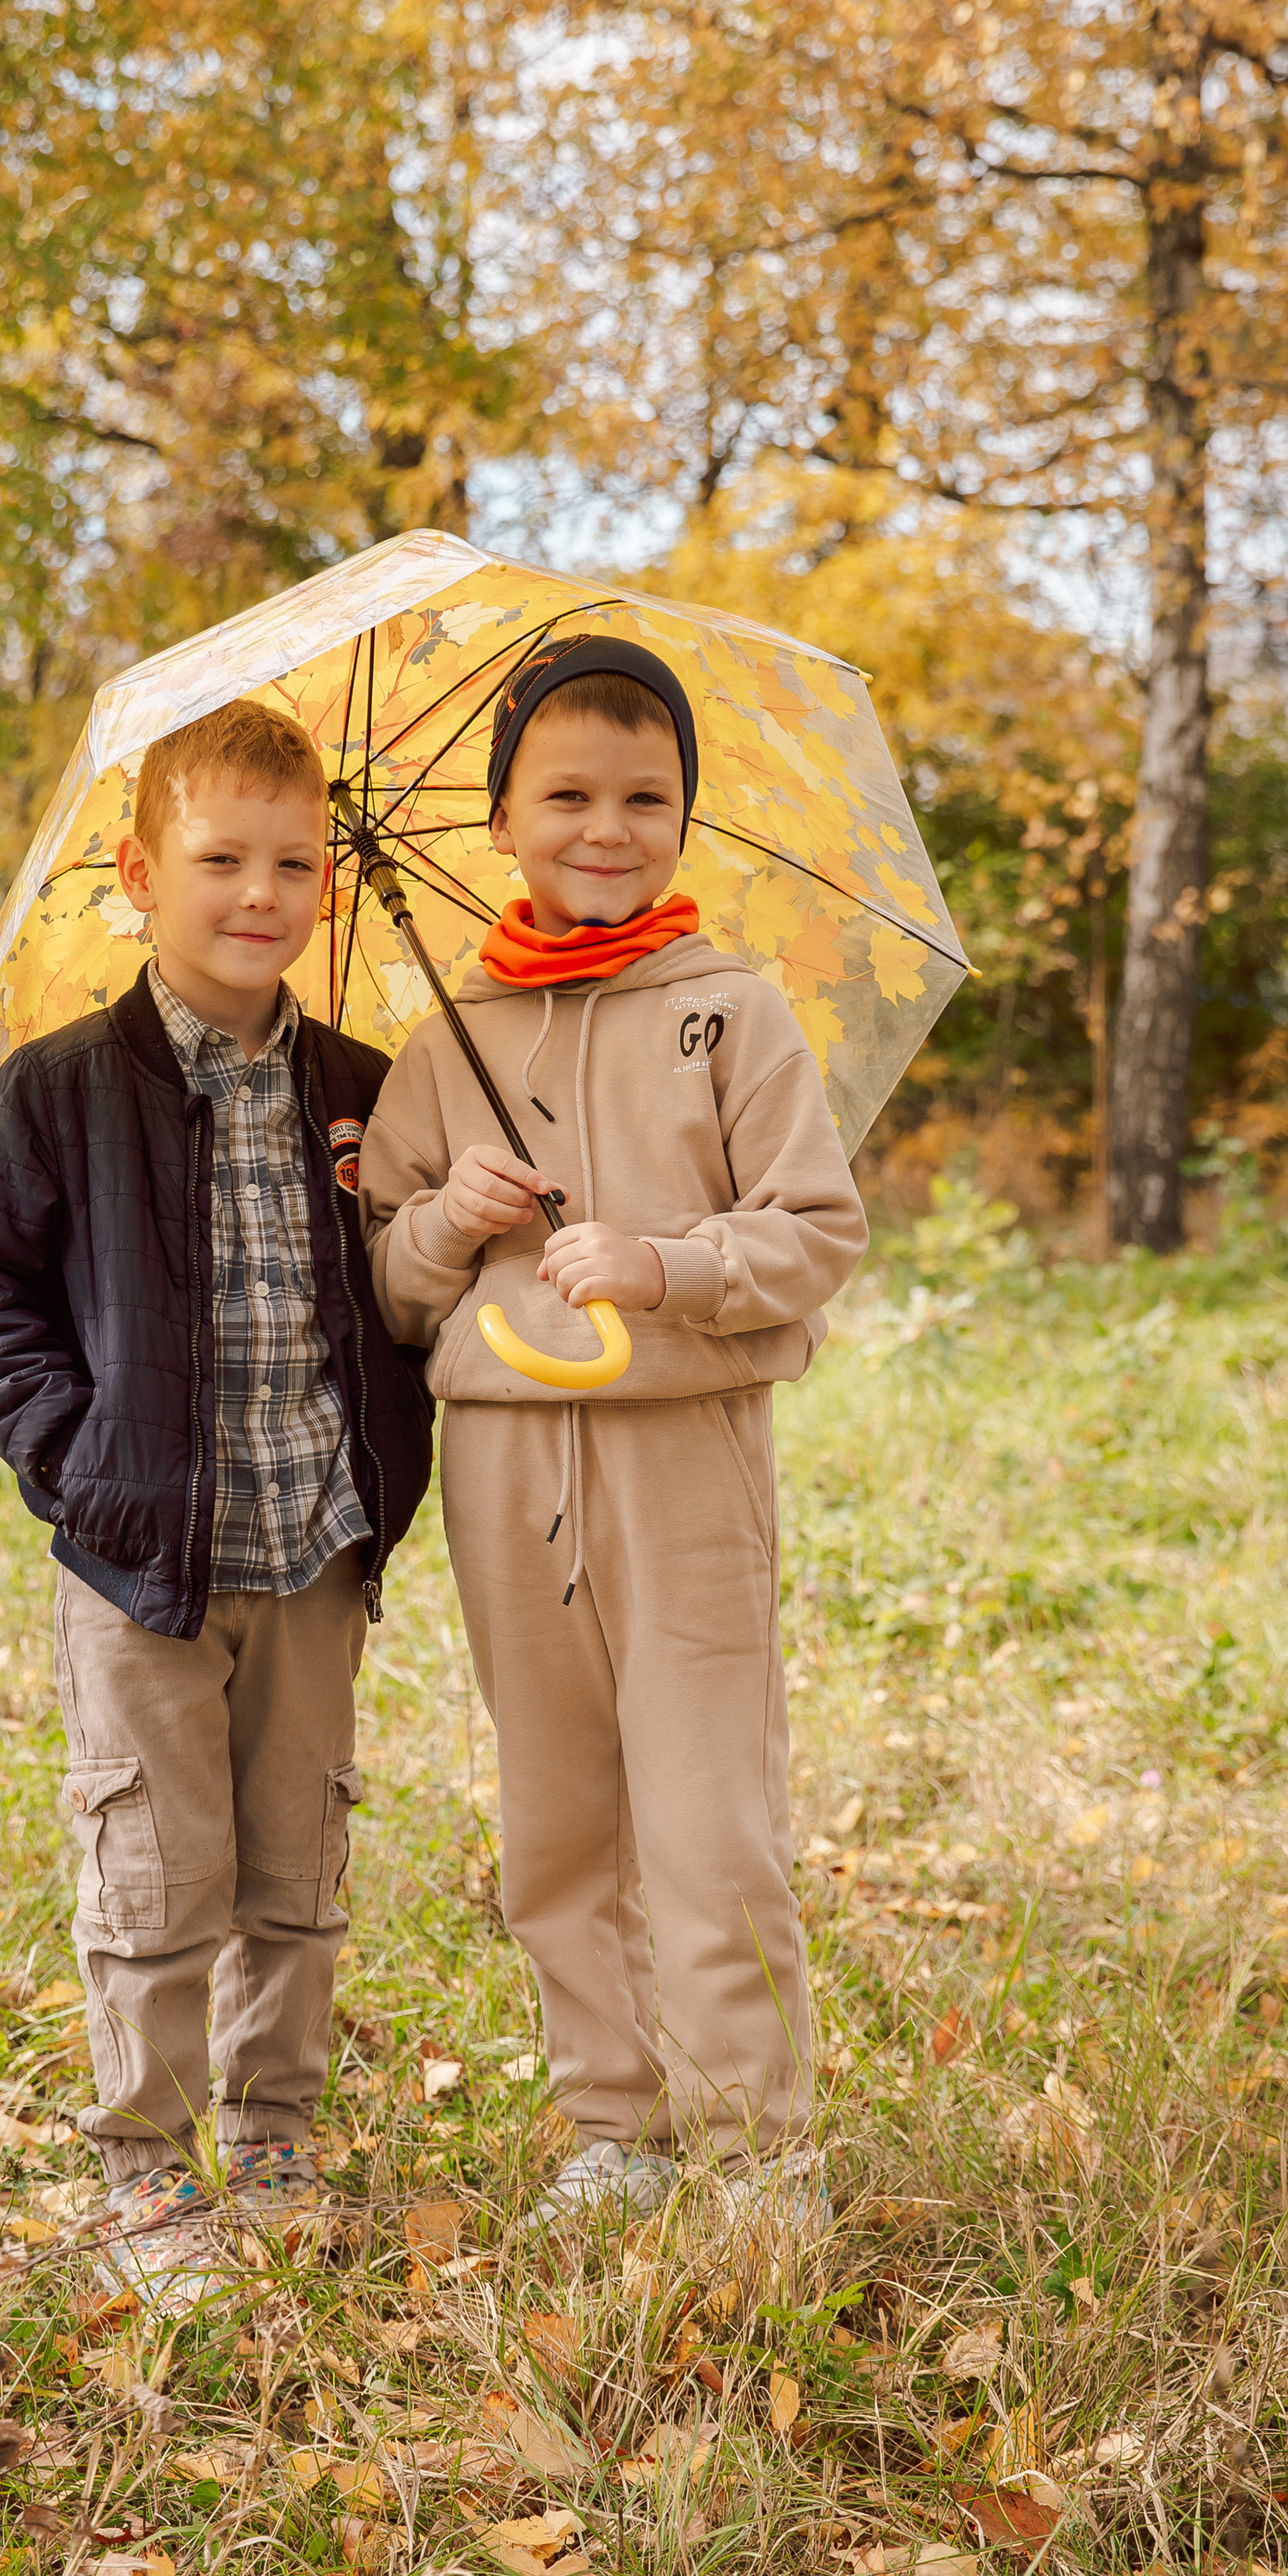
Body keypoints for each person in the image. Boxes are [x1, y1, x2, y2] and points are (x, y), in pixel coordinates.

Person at [360, 634, 867, 2235]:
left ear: (684, 819)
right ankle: (613, 2121)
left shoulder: (731, 1013)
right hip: (505, 1471)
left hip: (683, 1458)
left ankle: (756, 2145)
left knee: (709, 1812)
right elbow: (386, 1288)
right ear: (502, 818)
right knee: (556, 1814)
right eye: (565, 795)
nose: (605, 827)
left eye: (645, 798)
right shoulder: (444, 1041)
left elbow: (817, 1230)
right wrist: (445, 1220)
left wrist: (666, 1266)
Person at [0, 698, 433, 2305]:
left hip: (315, 1548)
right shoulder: (61, 1089)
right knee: (155, 1870)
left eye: (292, 863)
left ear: (326, 885)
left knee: (294, 1867)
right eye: (220, 860)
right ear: (141, 874)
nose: (258, 893)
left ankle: (274, 2139)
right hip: (143, 1558)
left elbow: (406, 1293)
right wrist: (78, 1462)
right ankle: (146, 2169)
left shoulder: (368, 1091)